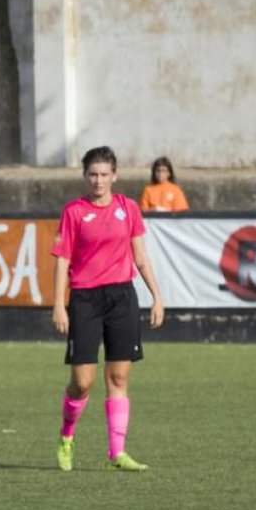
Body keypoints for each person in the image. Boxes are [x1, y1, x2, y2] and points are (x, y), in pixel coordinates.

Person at [52, 146, 165, 473]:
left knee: (118, 376)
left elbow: (140, 257)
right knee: (82, 382)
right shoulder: (74, 211)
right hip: (85, 299)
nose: (98, 180)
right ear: (85, 176)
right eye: (92, 174)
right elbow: (62, 260)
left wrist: (156, 296)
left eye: (104, 175)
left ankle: (117, 452)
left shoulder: (128, 208)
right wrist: (59, 304)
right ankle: (67, 436)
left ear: (114, 176)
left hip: (121, 298)